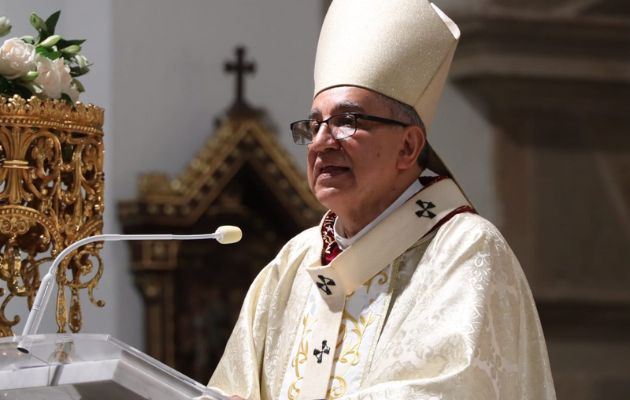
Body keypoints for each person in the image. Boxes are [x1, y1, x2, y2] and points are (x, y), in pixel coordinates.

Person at [208, 0, 556, 399]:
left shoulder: (464, 250)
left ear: (408, 147)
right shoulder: (292, 263)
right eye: (315, 124)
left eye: (346, 121)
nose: (321, 142)